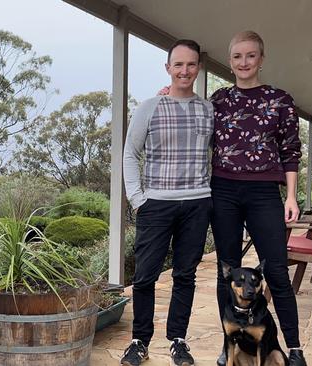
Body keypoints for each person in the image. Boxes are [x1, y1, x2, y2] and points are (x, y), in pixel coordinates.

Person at [210, 31, 306, 366]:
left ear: (261, 59)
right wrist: (169, 95)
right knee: (227, 272)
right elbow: (196, 129)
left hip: (265, 192)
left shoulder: (280, 100)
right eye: (237, 56)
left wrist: (290, 197)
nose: (244, 62)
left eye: (251, 56)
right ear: (231, 60)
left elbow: (291, 152)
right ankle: (229, 345)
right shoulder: (218, 100)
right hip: (223, 191)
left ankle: (292, 347)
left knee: (277, 271)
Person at [121, 39, 213, 366]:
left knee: (185, 276)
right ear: (168, 68)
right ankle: (139, 341)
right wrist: (137, 199)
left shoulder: (208, 110)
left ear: (198, 67)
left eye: (191, 64)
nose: (184, 70)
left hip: (197, 204)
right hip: (156, 205)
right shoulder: (150, 107)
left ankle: (178, 340)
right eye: (178, 64)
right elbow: (130, 154)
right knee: (145, 276)